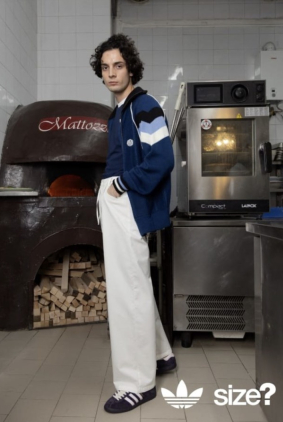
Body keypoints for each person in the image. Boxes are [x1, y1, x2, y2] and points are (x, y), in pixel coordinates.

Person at [89, 34, 176, 414]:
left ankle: (136, 384)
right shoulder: (119, 111)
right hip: (116, 201)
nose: (111, 73)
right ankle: (161, 356)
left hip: (126, 202)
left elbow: (162, 158)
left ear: (131, 68)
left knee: (128, 294)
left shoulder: (144, 105)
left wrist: (122, 185)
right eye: (105, 67)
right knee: (134, 286)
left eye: (118, 65)